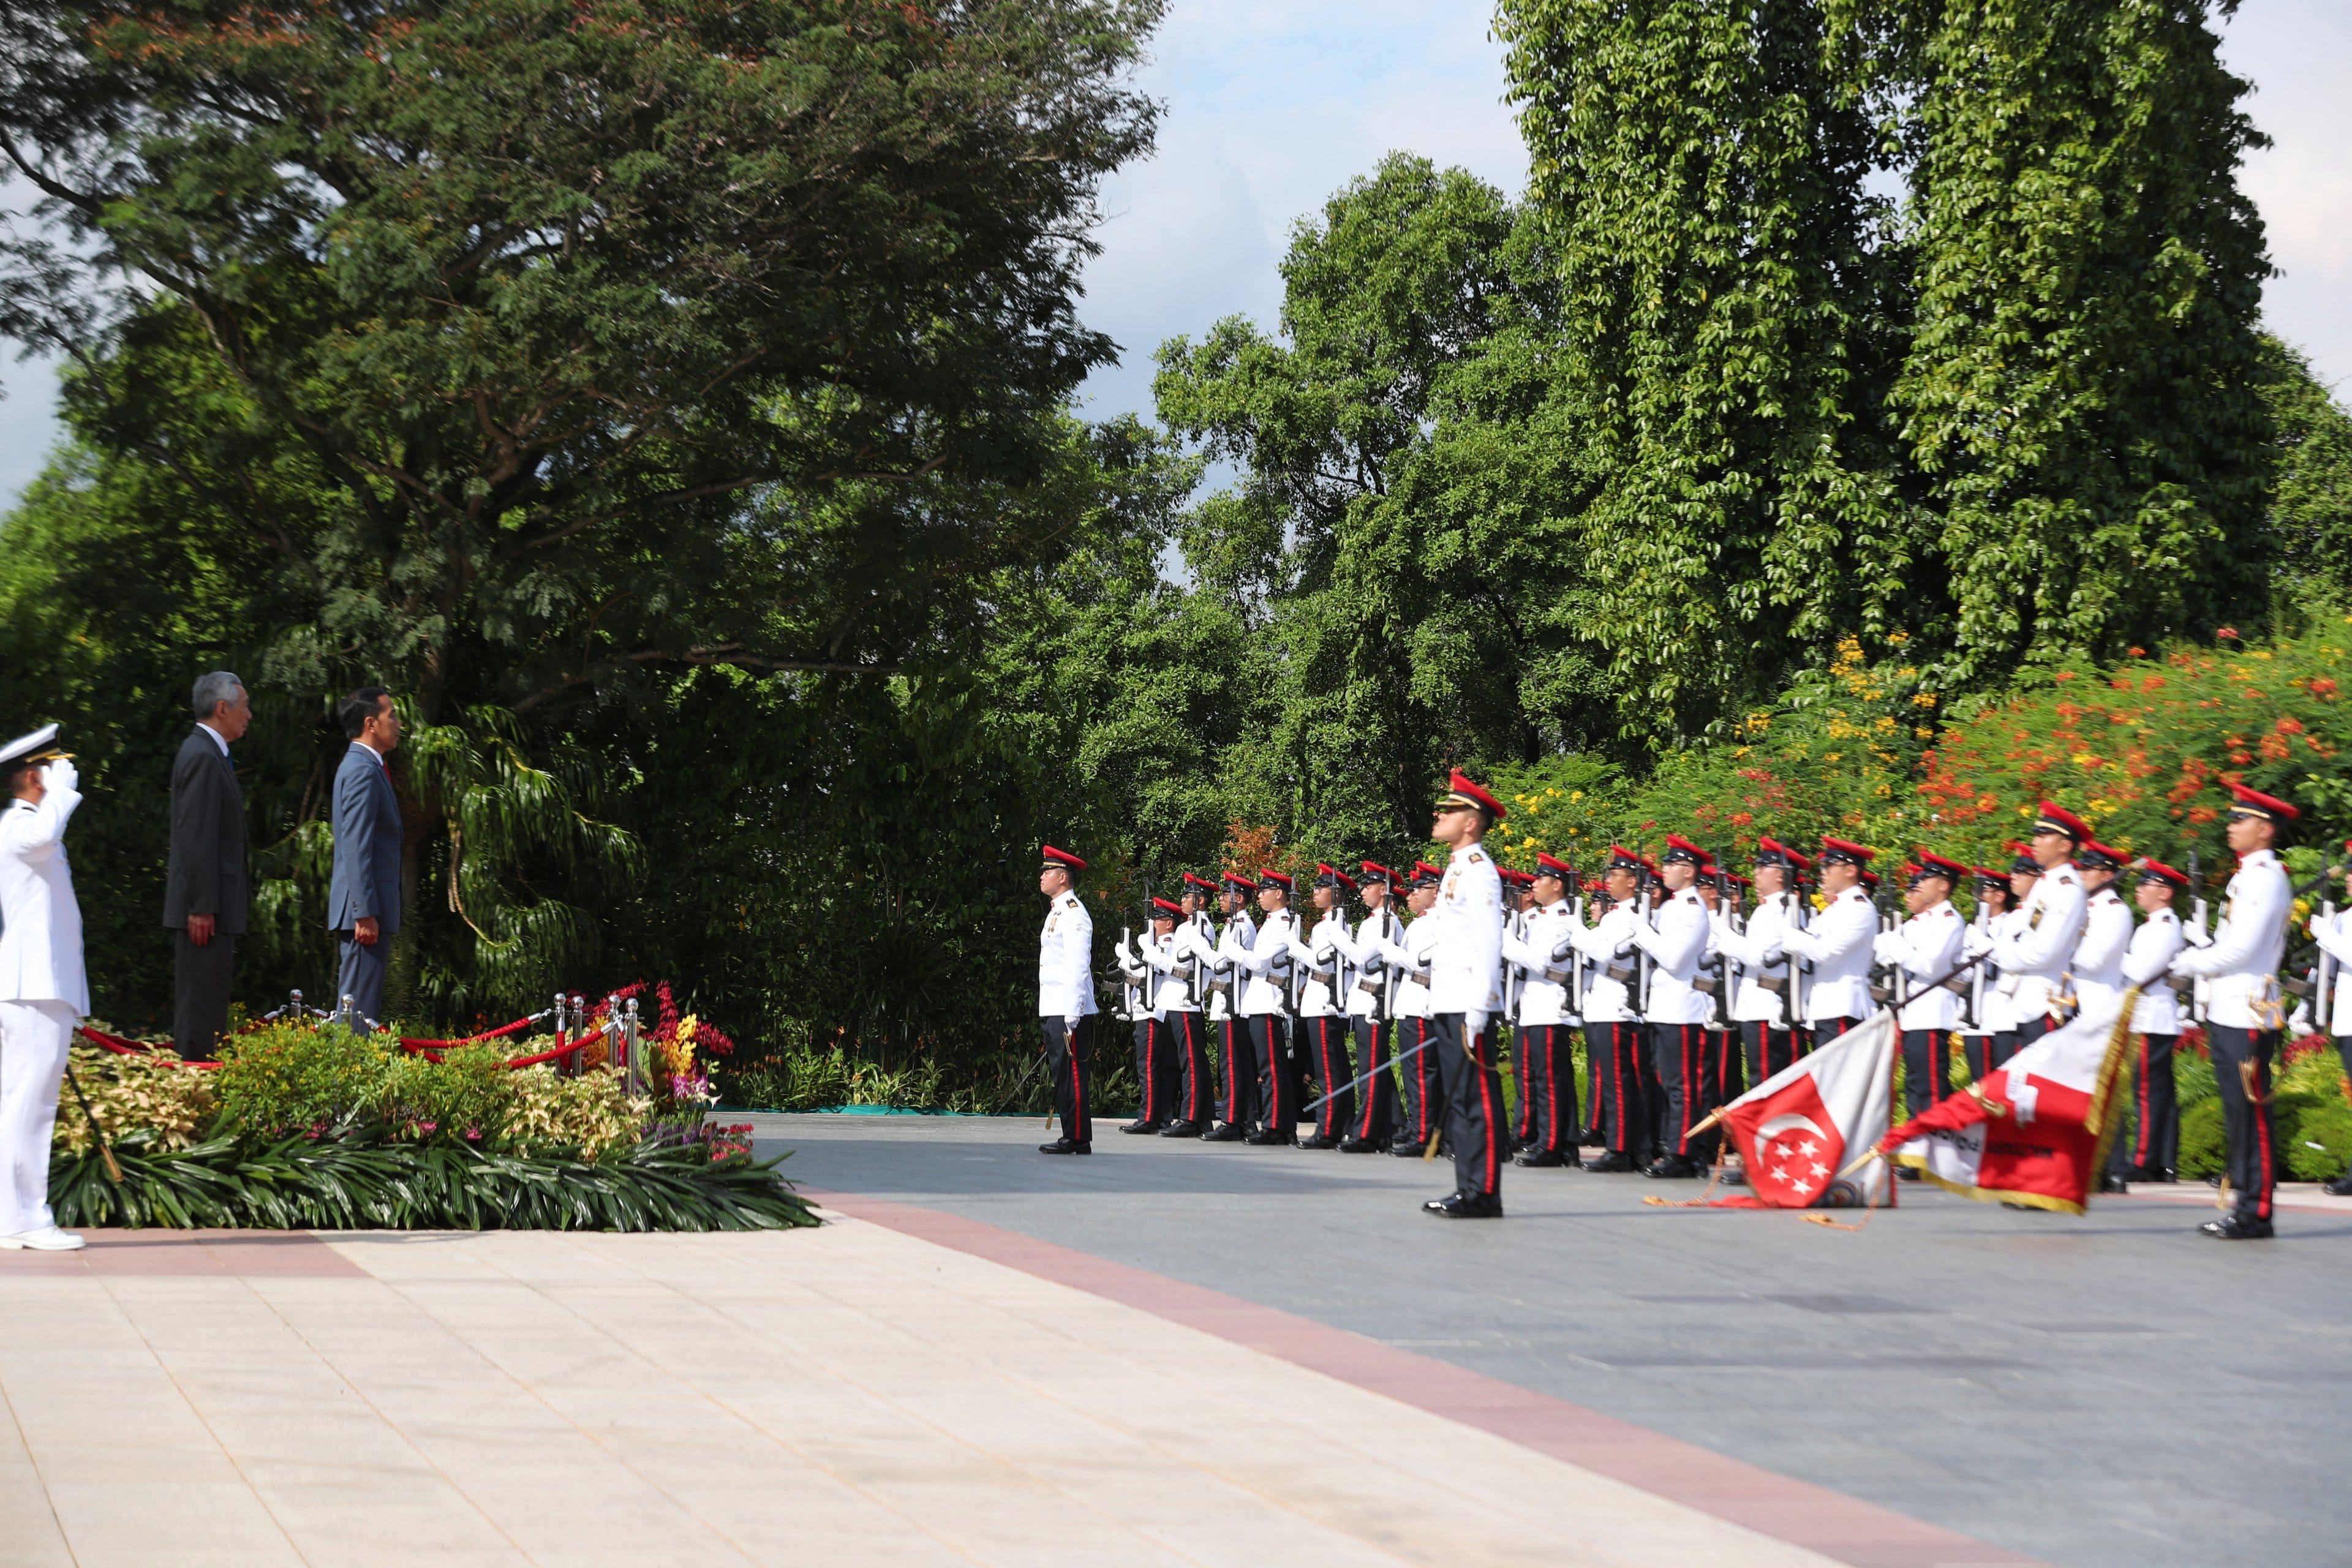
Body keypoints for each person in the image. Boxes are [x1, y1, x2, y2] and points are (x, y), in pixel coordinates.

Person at [2171, 783, 2296, 1239]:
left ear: (2264, 830)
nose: (2231, 826)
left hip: (2247, 1011)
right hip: (2231, 1009)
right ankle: (2245, 1204)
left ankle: (2255, 1211)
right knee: (2237, 1111)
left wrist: (2190, 962)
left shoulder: (2264, 878)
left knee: (2250, 1112)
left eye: (2239, 820)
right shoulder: (2248, 875)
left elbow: (2242, 950)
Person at [0, 726, 88, 1250]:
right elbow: (43, 837)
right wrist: (61, 795)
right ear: (34, 776)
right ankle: (27, 1216)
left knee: (22, 1102)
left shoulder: (27, 827)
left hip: (38, 985)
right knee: (30, 1105)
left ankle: (12, 1214)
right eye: (52, 771)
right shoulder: (22, 827)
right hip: (33, 986)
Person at [1422, 770, 1507, 1219]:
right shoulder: (1457, 866)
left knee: (1476, 1098)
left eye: (1450, 810)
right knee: (1459, 1098)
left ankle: (1484, 1193)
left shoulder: (1479, 871)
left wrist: (1479, 1004)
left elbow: (1491, 939)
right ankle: (1469, 1187)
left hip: (1467, 1003)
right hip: (1449, 999)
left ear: (1471, 821)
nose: (1439, 814)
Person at [164, 670, 252, 1061]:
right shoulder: (201, 754)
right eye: (244, 706)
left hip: (212, 906)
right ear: (222, 708)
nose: (249, 715)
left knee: (210, 1003)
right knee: (200, 1007)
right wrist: (201, 906)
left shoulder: (212, 753)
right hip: (204, 911)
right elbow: (196, 836)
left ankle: (201, 1082)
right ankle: (193, 1092)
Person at [1627, 834, 1714, 1178]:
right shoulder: (1671, 908)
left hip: (1682, 1009)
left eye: (1670, 864)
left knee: (1681, 1085)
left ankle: (1684, 1153)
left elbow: (1674, 960)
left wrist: (1641, 930)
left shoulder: (1693, 911)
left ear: (1689, 872)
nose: (1664, 869)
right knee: (1665, 1083)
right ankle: (1670, 1147)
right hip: (1661, 1007)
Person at [1876, 853, 1967, 1172]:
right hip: (1913, 1011)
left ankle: (1934, 1153)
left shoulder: (1950, 921)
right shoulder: (1920, 922)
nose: (1918, 884)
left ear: (1943, 886)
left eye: (1926, 879)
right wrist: (1896, 948)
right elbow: (1884, 954)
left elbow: (1930, 966)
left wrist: (1897, 948)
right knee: (1917, 1084)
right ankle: (1921, 1148)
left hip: (1932, 1012)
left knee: (1931, 1085)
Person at [1569, 846, 1651, 1171]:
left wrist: (1577, 931)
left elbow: (1605, 953)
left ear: (1632, 881)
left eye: (1615, 875)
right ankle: (1632, 1147)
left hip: (1618, 1007)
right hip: (1603, 1006)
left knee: (1620, 1081)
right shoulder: (1615, 915)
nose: (1608, 880)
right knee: (1620, 1080)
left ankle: (1621, 1149)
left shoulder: (1633, 917)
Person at [328, 686, 404, 1027]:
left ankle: (349, 1074)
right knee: (357, 1014)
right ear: (371, 723)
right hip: (364, 915)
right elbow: (356, 845)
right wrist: (365, 912)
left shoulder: (366, 765)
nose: (399, 723)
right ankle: (343, 1079)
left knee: (362, 1010)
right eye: (392, 716)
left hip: (367, 911)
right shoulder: (361, 769)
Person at [2113, 858, 2190, 1186]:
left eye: (2146, 885)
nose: (2139, 890)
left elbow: (2144, 974)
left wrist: (2114, 951)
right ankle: (2163, 1162)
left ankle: (2146, 1161)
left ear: (2165, 892)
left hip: (2152, 1017)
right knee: (2157, 1093)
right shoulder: (2150, 926)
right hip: (2148, 1017)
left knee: (2147, 1092)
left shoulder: (2165, 927)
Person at [1501, 851, 1581, 1167]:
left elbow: (1540, 962)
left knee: (1550, 1079)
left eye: (1540, 879)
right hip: (1536, 1007)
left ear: (1557, 885)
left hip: (1551, 1008)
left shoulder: (1561, 921)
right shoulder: (1545, 919)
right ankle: (1557, 1142)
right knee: (1540, 1076)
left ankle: (1553, 1144)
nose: (1533, 884)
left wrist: (1508, 940)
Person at [1992, 802, 2091, 1057]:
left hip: (2048, 1003)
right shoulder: (2047, 884)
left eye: (2043, 835)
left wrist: (2005, 953)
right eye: (2036, 834)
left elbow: (2043, 953)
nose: (2035, 841)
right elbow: (2029, 932)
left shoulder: (2068, 889)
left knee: (2044, 1090)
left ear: (2064, 845)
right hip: (2029, 1001)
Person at [1714, 837, 1807, 1103]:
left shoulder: (1784, 910)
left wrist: (1725, 936)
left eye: (1761, 868)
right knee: (1759, 1080)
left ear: (1780, 874)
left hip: (1771, 1008)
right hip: (1756, 1008)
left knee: (1769, 1083)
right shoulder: (1767, 909)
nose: (1755, 874)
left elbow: (1760, 956)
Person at [1780, 837, 1879, 1045]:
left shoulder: (1859, 908)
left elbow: (1826, 951)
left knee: (1841, 1076)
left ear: (1850, 870)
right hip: (1824, 1008)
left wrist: (1790, 936)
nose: (1823, 871)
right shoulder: (1834, 909)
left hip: (1844, 1007)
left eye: (1829, 865)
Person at [1336, 861, 1403, 1152]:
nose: (1363, 890)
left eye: (1369, 885)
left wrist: (1337, 937)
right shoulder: (1371, 921)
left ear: (1384, 889)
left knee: (1371, 1069)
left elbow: (1362, 958)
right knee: (1375, 1067)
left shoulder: (1387, 922)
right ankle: (1393, 1125)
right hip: (1363, 1000)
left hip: (1376, 1002)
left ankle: (1368, 1134)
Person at [1035, 844, 1098, 1154]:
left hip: (1068, 1008)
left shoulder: (1074, 914)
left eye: (1048, 871)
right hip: (1054, 1005)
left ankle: (1077, 1137)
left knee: (1072, 1074)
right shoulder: (1057, 912)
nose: (1042, 876)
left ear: (1063, 877)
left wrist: (1073, 1012)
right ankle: (1071, 1133)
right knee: (1062, 1073)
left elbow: (1077, 965)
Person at [1292, 864, 1359, 1148]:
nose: (1315, 893)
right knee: (1333, 1068)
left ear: (1336, 893)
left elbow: (1321, 963)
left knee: (1328, 1071)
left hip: (1327, 1004)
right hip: (1319, 1003)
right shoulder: (1325, 925)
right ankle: (1342, 1124)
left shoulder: (1335, 925)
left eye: (1321, 888)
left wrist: (1295, 948)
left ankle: (1329, 1128)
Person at [1232, 870, 1302, 1145]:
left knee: (1272, 1068)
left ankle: (1276, 1127)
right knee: (1270, 1067)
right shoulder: (1271, 923)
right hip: (1260, 1001)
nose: (1260, 895)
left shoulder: (1283, 924)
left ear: (1280, 894)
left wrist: (1230, 948)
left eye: (1265, 891)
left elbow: (1259, 963)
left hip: (1270, 1003)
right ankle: (1280, 1125)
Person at [1382, 863, 1444, 1155]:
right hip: (1408, 1004)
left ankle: (1425, 1133)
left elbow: (1421, 962)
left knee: (1422, 1074)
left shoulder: (1440, 922)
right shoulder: (1419, 922)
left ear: (1437, 891)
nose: (1414, 892)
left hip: (1422, 1004)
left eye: (1421, 887)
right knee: (1413, 1073)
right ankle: (1419, 1127)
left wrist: (1391, 951)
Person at [1154, 875, 1221, 1137]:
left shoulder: (1201, 927)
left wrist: (1151, 954)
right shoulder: (1186, 927)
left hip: (1186, 1001)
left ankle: (1191, 1118)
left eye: (1187, 895)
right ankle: (1201, 1118)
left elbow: (1183, 966)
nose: (1182, 900)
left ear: (1201, 901)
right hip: (1174, 1001)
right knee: (1188, 1062)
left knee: (1191, 1064)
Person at [1114, 899, 1184, 1135]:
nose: (1153, 924)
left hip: (1154, 1012)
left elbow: (1152, 972)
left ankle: (1149, 1117)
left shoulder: (1166, 943)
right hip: (1152, 1010)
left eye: (1157, 919)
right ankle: (1162, 1117)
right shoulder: (1160, 944)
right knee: (1161, 1067)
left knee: (1149, 1066)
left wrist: (1125, 958)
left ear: (1168, 923)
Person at [1204, 872, 1259, 1142]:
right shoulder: (1232, 925)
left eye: (1227, 895)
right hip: (1227, 999)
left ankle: (1234, 1120)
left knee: (1233, 1064)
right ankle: (1243, 1120)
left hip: (1235, 1000)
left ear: (1239, 898)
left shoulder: (1243, 926)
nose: (1222, 899)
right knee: (1233, 1064)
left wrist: (1201, 949)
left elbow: (1225, 963)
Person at [1958, 867, 2014, 1082]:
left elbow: (2006, 961)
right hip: (1976, 1015)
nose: (1978, 895)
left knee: (2003, 1082)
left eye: (1984, 890)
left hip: (2003, 1011)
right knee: (1979, 1082)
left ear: (2000, 896)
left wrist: (1983, 945)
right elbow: (1963, 967)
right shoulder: (1973, 927)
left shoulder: (2011, 923)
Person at [2068, 841, 2133, 1022]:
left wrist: (2060, 946)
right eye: (2081, 869)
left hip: (2098, 1004)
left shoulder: (2115, 910)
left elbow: (2095, 961)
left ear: (2107, 875)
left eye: (2088, 870)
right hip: (2072, 1001)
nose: (2081, 875)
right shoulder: (2083, 906)